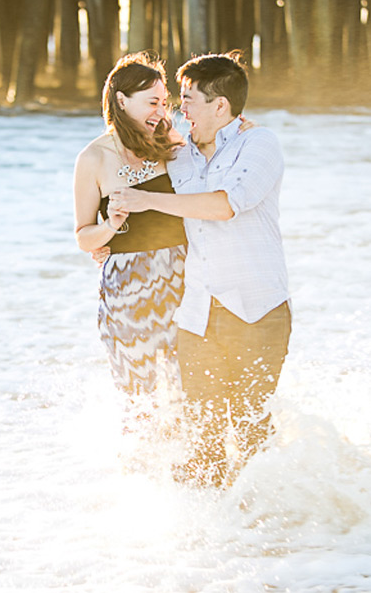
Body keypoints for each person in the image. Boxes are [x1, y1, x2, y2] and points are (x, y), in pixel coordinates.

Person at [109, 52, 291, 487]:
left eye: (188, 99)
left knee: (251, 435)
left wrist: (146, 201)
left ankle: (268, 527)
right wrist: (110, 242)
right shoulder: (180, 153)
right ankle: (207, 538)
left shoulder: (260, 144)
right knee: (203, 441)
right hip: (196, 317)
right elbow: (122, 161)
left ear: (221, 106)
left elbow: (224, 205)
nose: (179, 109)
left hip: (258, 313)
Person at [73, 52, 187, 396]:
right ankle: (140, 453)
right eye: (152, 102)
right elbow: (83, 237)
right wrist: (110, 226)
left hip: (184, 276)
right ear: (121, 100)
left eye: (164, 102)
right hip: (127, 288)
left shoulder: (174, 145)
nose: (161, 112)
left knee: (189, 392)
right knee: (139, 399)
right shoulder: (92, 158)